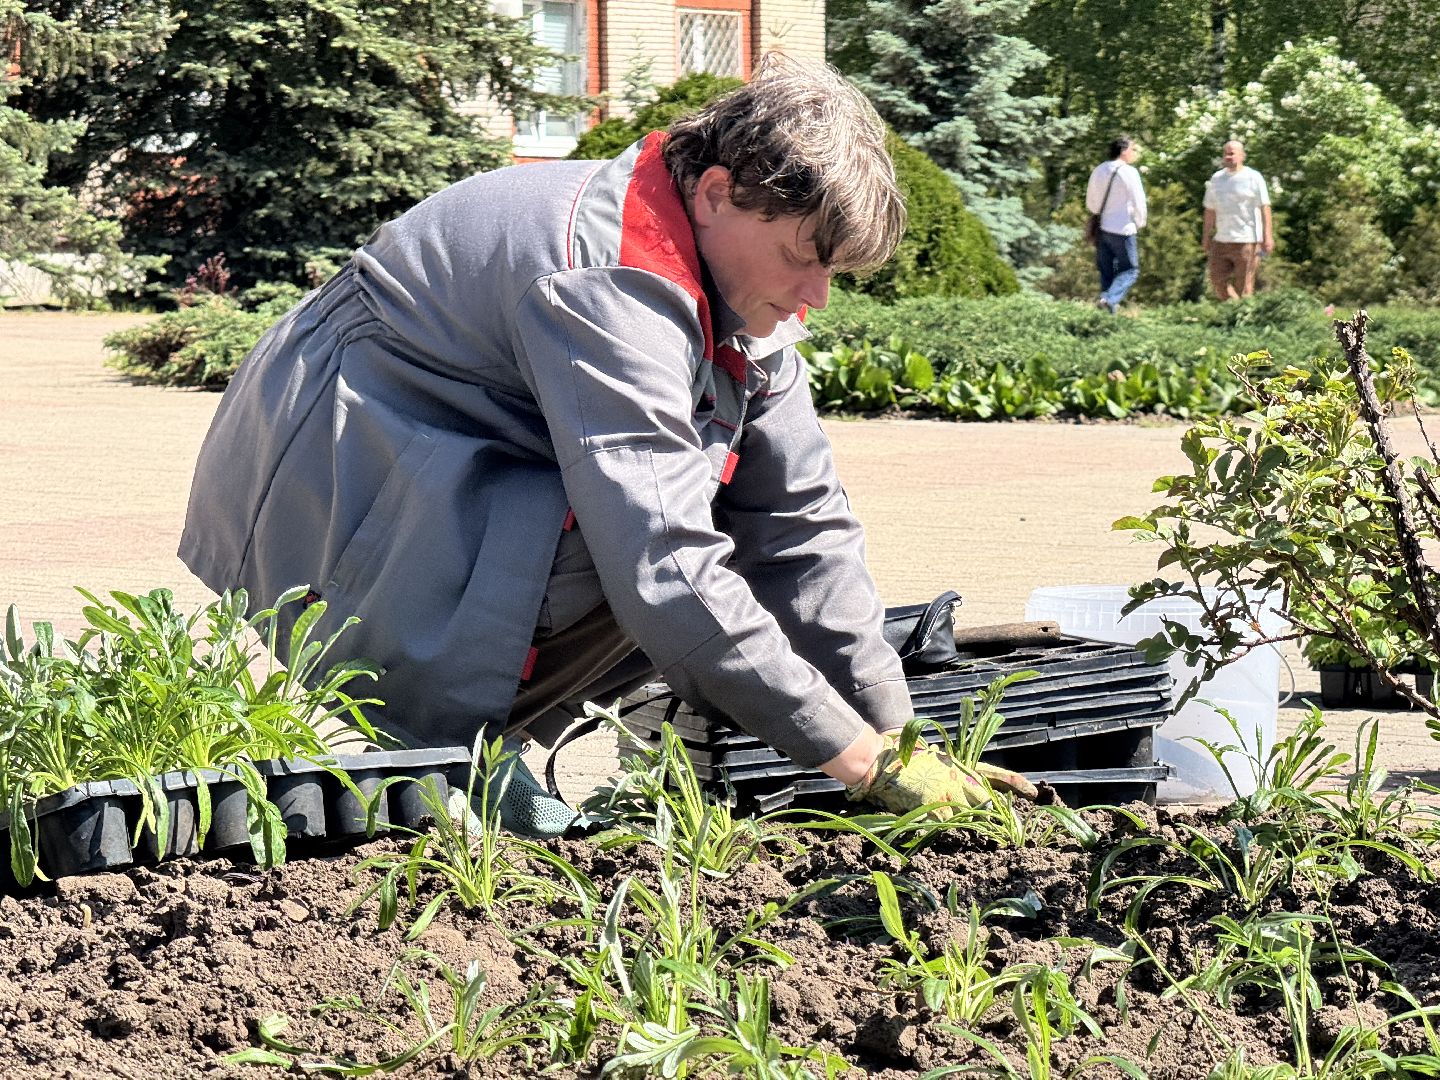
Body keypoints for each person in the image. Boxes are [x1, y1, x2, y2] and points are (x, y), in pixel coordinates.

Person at [178, 55, 1034, 836]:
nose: (814, 296)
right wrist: (850, 760)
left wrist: (896, 731)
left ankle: (470, 758)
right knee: (644, 543)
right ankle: (441, 755)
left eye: (831, 273)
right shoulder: (608, 280)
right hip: (337, 460)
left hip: (454, 458)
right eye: (799, 259)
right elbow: (661, 557)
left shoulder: (738, 285)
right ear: (716, 193)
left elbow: (803, 526)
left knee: (694, 526)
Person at [1202, 139, 1273, 300]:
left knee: (1245, 286)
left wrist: (1267, 236)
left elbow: (1265, 207)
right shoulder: (1216, 179)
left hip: (1247, 240)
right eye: (1225, 153)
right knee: (1217, 279)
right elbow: (1210, 210)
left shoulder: (1253, 177)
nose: (1228, 157)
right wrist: (1206, 236)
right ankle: (1234, 309)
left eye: (1232, 153)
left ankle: (1244, 319)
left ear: (1242, 156)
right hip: (1222, 239)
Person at [1085, 136, 1148, 314]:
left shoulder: (1099, 170)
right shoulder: (1129, 172)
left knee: (1106, 272)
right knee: (1130, 270)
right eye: (1133, 150)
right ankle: (1109, 299)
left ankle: (1106, 314)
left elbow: (1091, 202)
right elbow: (1138, 201)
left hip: (1103, 228)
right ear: (1124, 151)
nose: (1134, 154)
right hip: (1123, 228)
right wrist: (1140, 222)